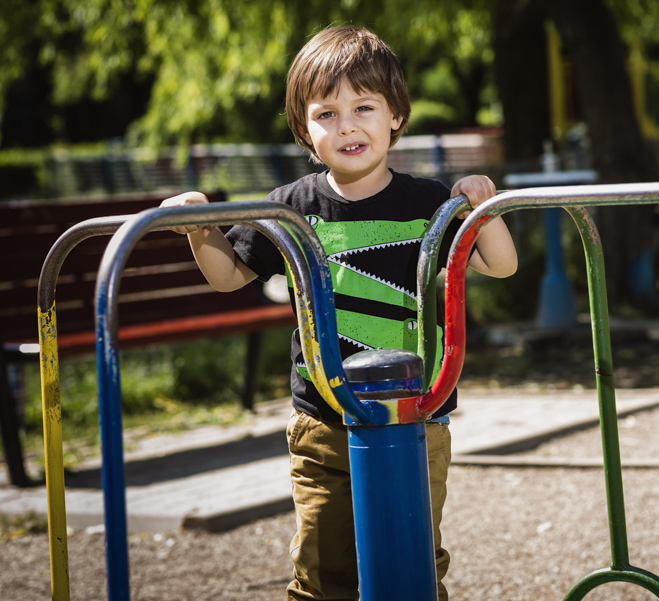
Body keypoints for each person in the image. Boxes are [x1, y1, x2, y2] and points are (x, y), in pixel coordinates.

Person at [161, 25, 517, 601]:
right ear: (305, 129)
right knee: (322, 571)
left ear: (396, 115)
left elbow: (501, 266)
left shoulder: (430, 203)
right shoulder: (290, 207)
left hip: (415, 417)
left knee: (412, 561)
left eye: (364, 106)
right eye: (327, 113)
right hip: (323, 421)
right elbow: (229, 277)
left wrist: (485, 208)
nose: (347, 125)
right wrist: (200, 230)